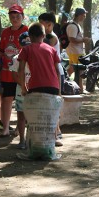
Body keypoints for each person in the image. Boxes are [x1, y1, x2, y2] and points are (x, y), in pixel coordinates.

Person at [17, 23, 63, 159]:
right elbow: (58, 71)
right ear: (43, 36)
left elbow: (20, 70)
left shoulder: (26, 49)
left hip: (35, 86)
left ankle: (33, 148)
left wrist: (24, 87)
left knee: (35, 118)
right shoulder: (51, 50)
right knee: (51, 118)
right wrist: (59, 90)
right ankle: (51, 146)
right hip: (53, 86)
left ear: (29, 37)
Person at [0, 4, 28, 138]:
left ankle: (19, 128)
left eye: (17, 16)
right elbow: (2, 52)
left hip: (21, 73)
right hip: (7, 73)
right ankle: (5, 128)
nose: (15, 19)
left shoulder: (27, 31)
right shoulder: (5, 32)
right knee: (7, 100)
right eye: (12, 16)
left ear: (22, 16)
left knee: (22, 101)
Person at [39, 12, 64, 146]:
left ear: (49, 24)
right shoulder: (45, 37)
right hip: (49, 73)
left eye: (41, 23)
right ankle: (55, 130)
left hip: (55, 73)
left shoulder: (51, 38)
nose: (40, 26)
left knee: (54, 103)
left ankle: (55, 133)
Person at [65, 7, 91, 90]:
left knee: (72, 69)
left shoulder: (77, 25)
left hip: (76, 51)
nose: (84, 17)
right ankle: (80, 88)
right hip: (75, 51)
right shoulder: (73, 26)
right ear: (79, 15)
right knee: (80, 70)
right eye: (83, 15)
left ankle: (63, 81)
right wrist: (83, 40)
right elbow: (72, 39)